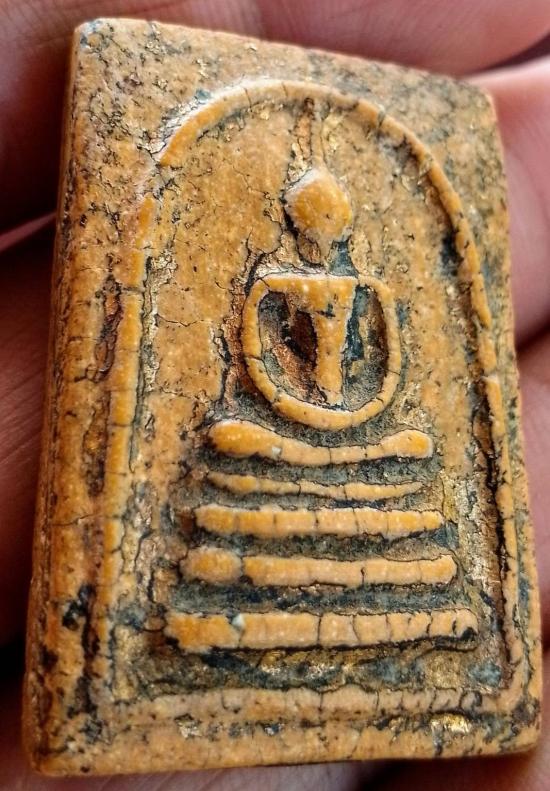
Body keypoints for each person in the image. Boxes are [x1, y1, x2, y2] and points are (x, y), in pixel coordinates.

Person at [0, 1, 549, 788]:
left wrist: (355, 416)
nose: (321, 234)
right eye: (312, 223)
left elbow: (390, 370)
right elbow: (258, 360)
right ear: (296, 223)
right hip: (278, 418)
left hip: (355, 422)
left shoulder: (364, 286)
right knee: (236, 443)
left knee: (410, 447)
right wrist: (295, 411)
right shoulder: (274, 281)